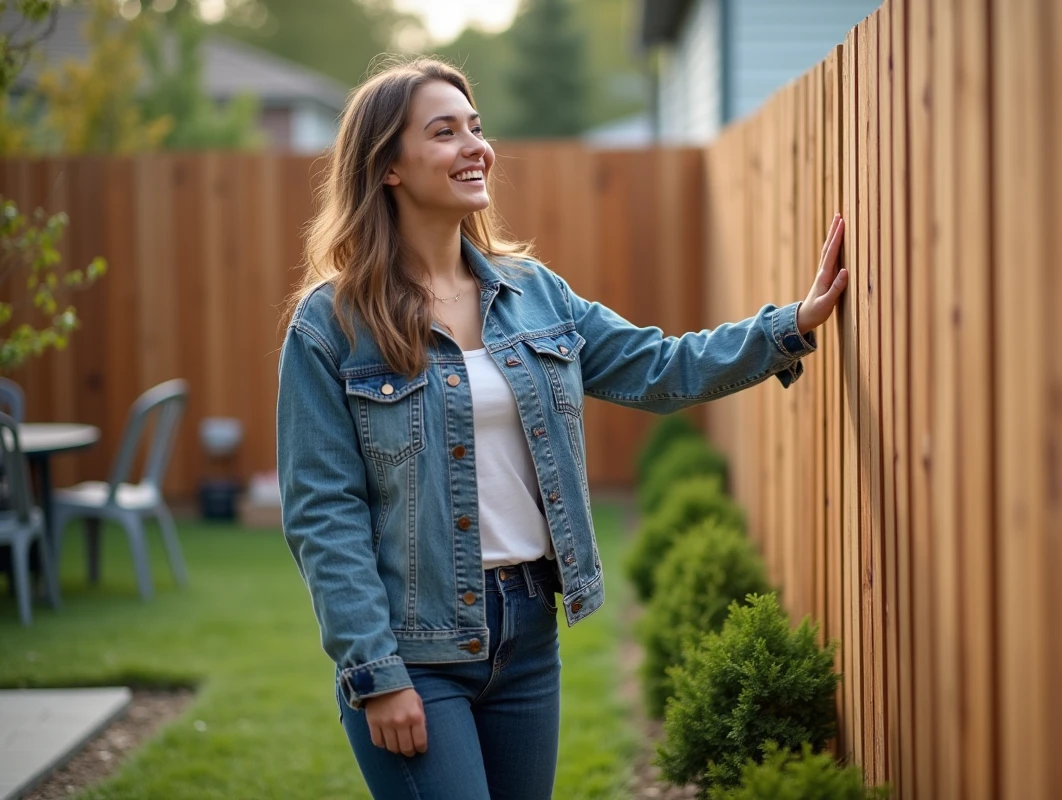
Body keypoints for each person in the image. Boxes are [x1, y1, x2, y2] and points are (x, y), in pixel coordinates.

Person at [276, 57, 848, 800]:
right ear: (387, 166)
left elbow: (658, 366)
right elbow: (324, 513)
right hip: (415, 649)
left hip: (526, 632)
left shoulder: (533, 295)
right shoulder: (331, 326)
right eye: (444, 132)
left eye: (476, 128)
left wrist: (789, 327)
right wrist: (375, 673)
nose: (475, 147)